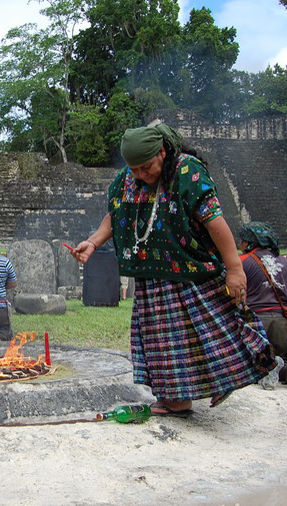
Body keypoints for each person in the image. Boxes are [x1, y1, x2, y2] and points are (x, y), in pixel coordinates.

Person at [70, 123, 276, 416]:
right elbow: (116, 214)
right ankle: (176, 398)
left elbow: (215, 220)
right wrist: (92, 242)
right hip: (152, 275)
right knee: (165, 344)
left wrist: (234, 268)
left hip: (190, 270)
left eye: (146, 167)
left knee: (211, 328)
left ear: (163, 152)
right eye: (134, 169)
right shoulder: (128, 179)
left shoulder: (187, 172)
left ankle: (218, 379)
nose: (141, 175)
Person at [240, 222, 287, 390]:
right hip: (281, 321)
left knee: (248, 361)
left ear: (248, 242)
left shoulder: (242, 261)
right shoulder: (286, 262)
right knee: (281, 355)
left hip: (255, 322)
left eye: (241, 240)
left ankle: (267, 368)